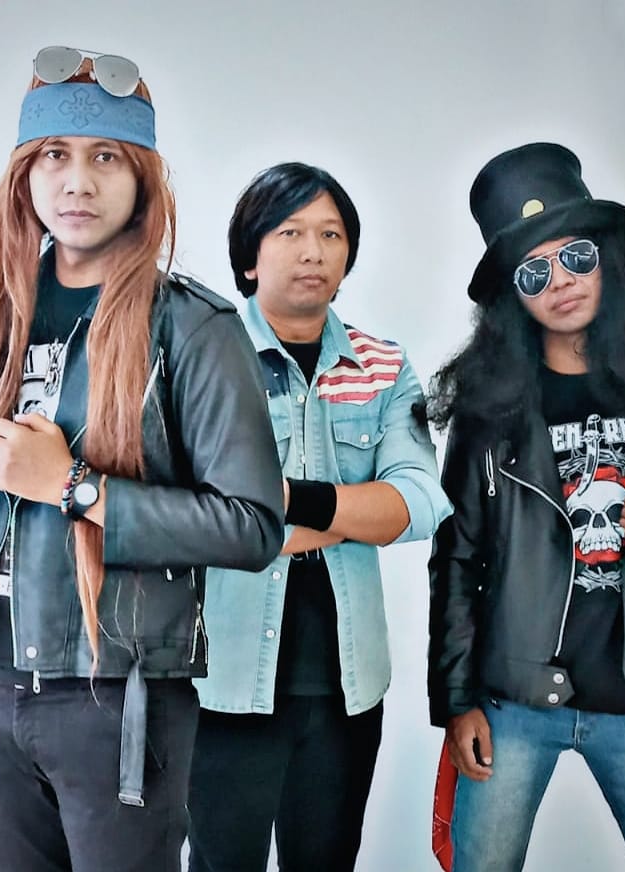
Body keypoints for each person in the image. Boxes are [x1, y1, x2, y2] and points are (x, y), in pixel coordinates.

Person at [0, 46, 285, 872]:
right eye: (55, 155)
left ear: (142, 178)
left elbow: (252, 526)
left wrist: (74, 488)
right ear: (24, 176)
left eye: (106, 157)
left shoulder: (192, 327)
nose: (77, 182)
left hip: (117, 698)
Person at [427, 142, 625, 871]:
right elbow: (456, 556)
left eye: (575, 257)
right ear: (513, 294)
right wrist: (456, 702)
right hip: (511, 698)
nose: (560, 282)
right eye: (534, 271)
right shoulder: (488, 407)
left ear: (607, 260)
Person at [187, 162, 452, 872]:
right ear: (249, 257)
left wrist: (279, 504)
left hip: (346, 687)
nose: (313, 251)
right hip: (220, 684)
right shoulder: (200, 358)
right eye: (290, 232)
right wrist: (353, 511)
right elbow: (190, 513)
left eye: (331, 235)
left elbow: (419, 503)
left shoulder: (384, 366)